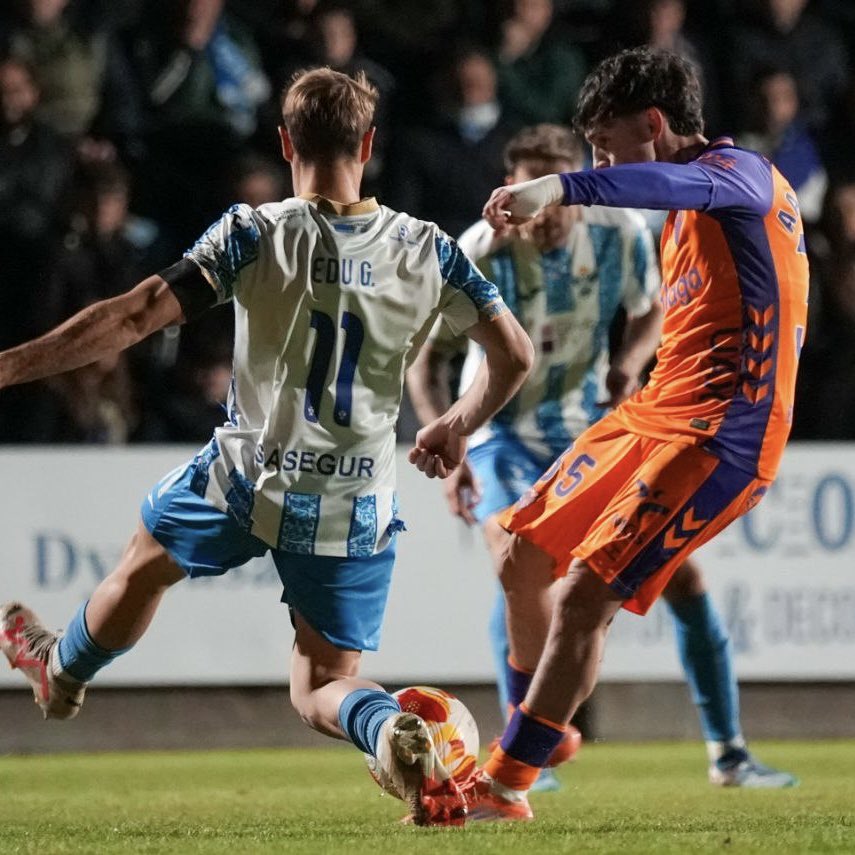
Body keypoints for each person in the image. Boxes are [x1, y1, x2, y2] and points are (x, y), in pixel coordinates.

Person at [0, 67, 533, 827]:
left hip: (250, 474)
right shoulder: (429, 249)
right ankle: (387, 728)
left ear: (285, 142)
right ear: (369, 146)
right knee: (320, 686)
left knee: (143, 564)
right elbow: (513, 354)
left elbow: (130, 319)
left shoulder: (254, 232)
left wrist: (9, 364)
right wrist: (454, 420)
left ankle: (61, 672)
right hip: (356, 498)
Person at [462, 47, 809, 821]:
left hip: (721, 433)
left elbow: (659, 180)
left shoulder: (742, 177)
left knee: (587, 594)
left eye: (605, 143)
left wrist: (555, 184)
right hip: (649, 414)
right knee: (522, 552)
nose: (599, 162)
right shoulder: (686, 213)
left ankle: (505, 781)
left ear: (654, 124)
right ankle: (540, 734)